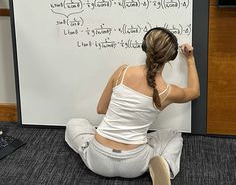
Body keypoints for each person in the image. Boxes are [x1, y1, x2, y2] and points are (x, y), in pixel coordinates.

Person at [65, 27, 200, 185]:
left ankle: (91, 146)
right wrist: (190, 60)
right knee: (174, 135)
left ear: (145, 47)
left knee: (74, 123)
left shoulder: (122, 71)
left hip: (97, 159)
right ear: (171, 57)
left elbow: (100, 109)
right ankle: (166, 165)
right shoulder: (168, 91)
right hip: (135, 164)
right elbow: (194, 91)